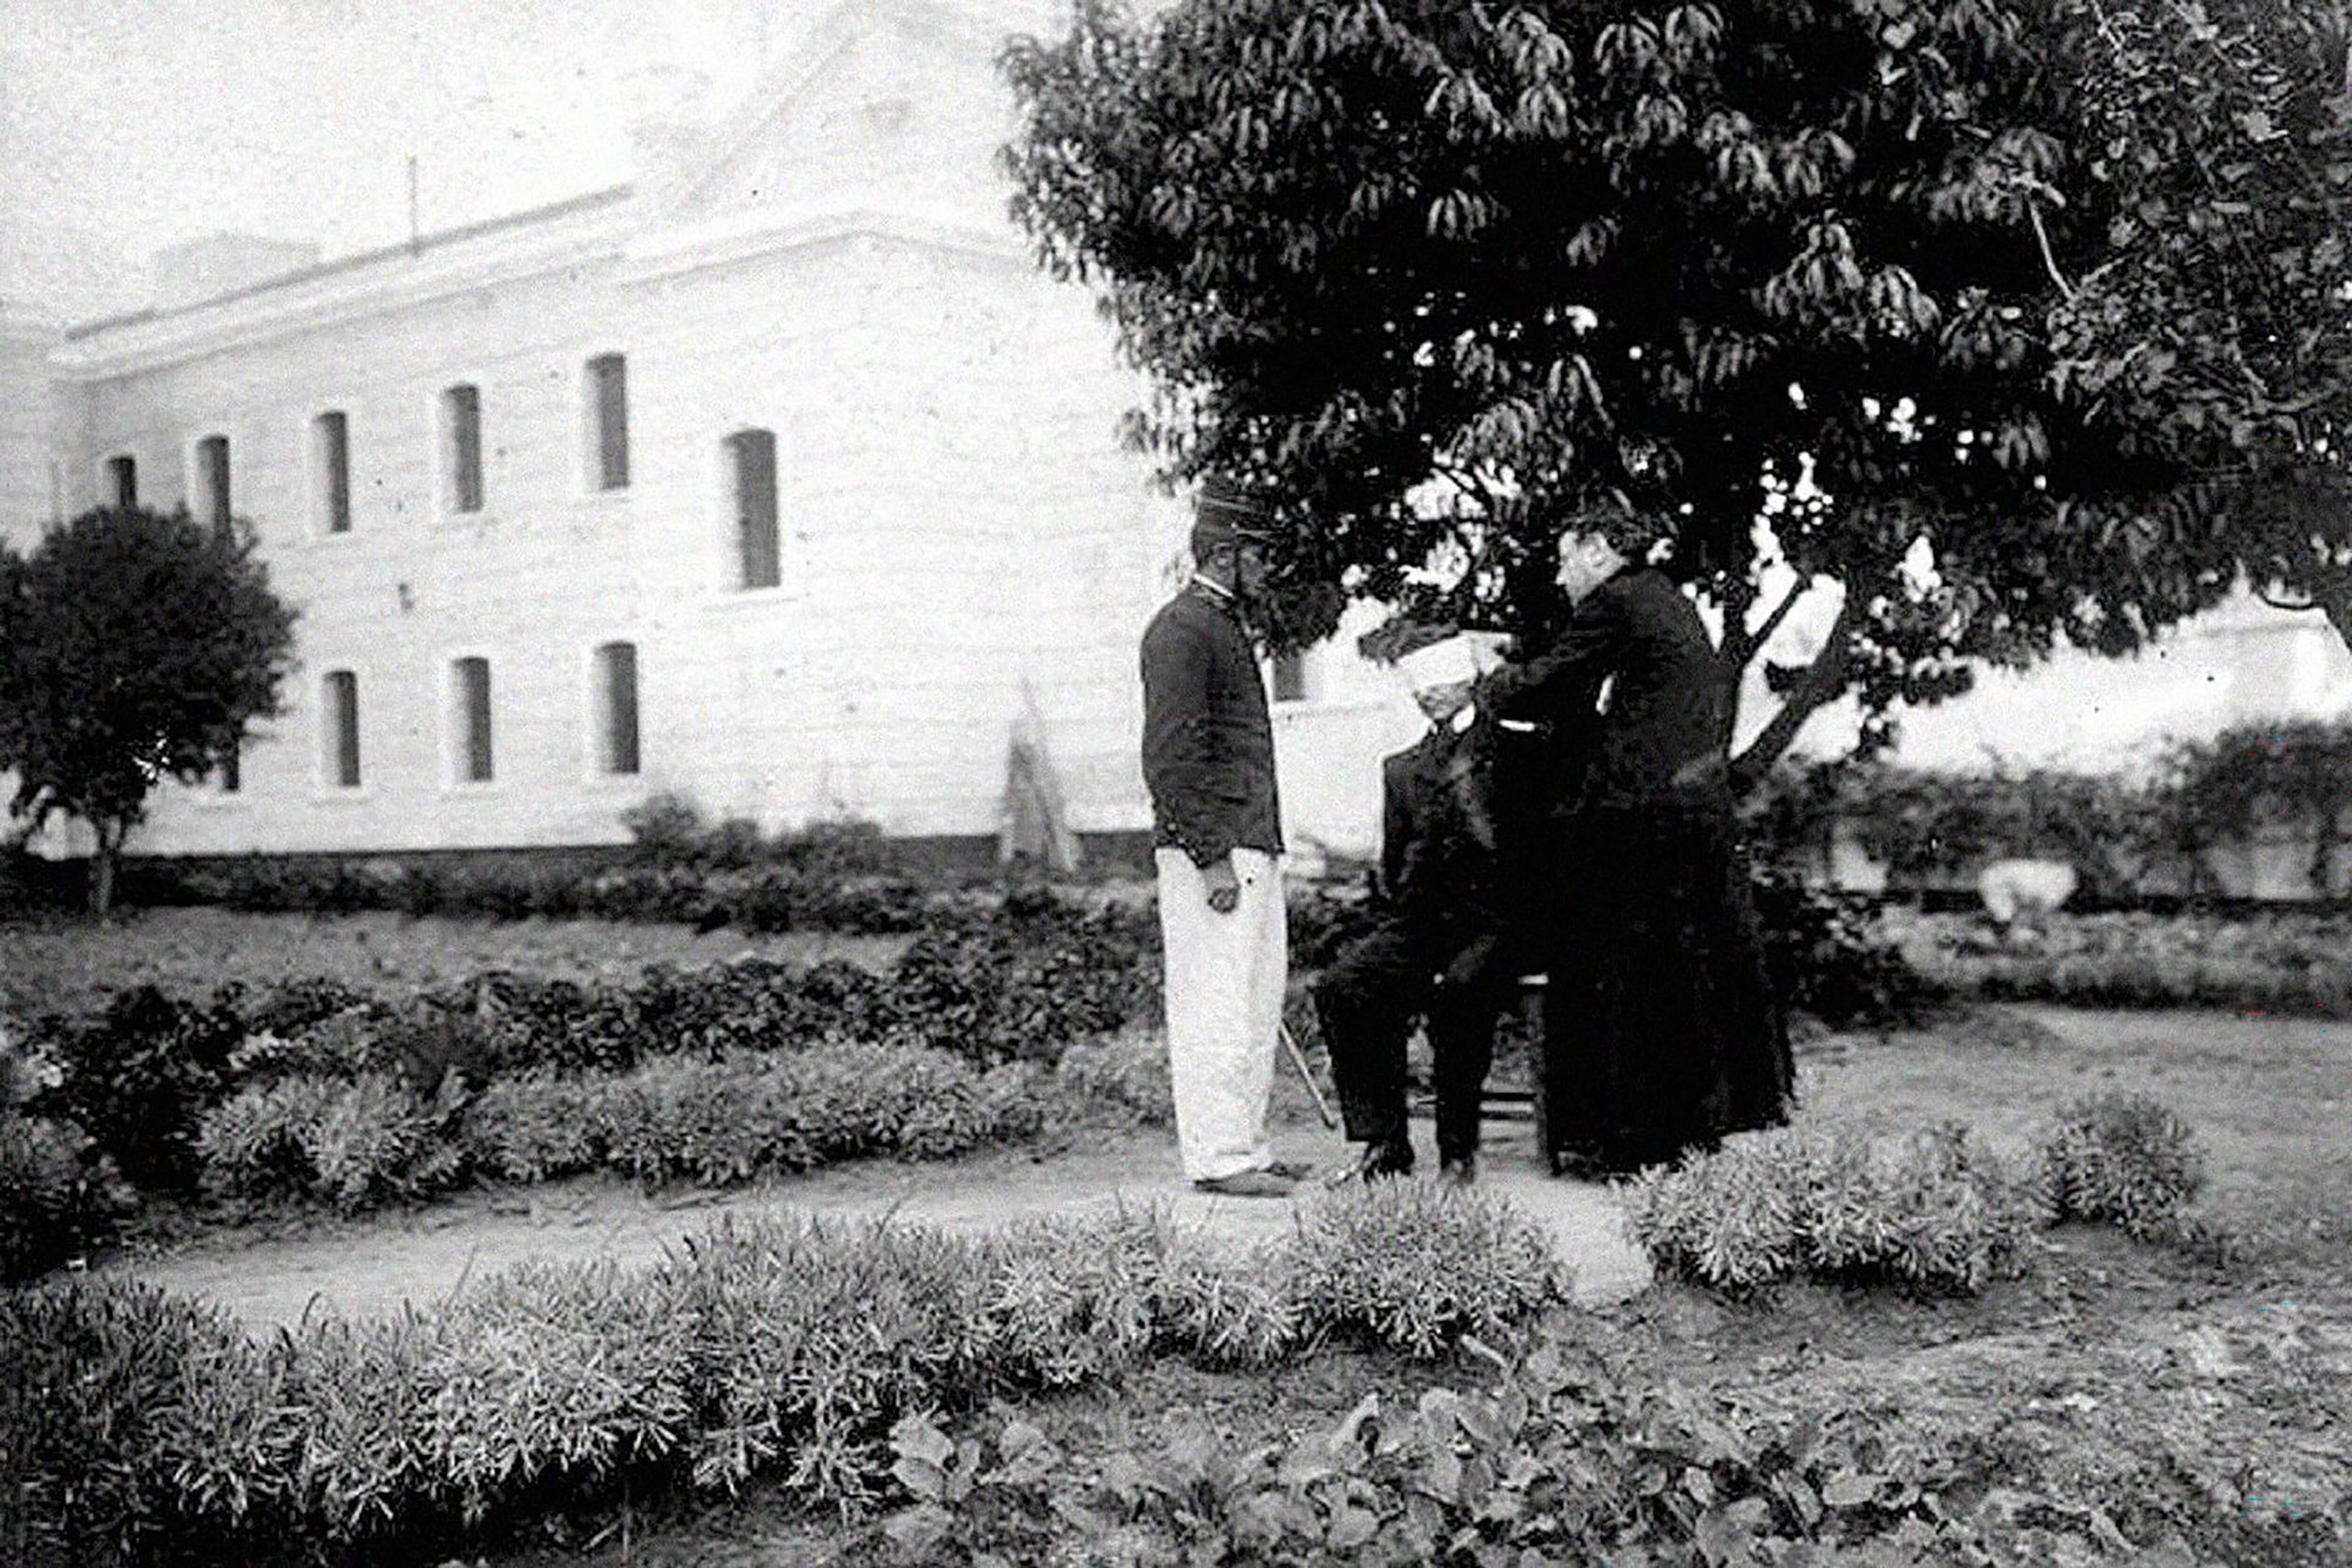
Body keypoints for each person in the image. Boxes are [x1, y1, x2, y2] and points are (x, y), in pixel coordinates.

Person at [1486, 519, 1795, 1177]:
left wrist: (1492, 679)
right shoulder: (1664, 599)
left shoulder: (1617, 601)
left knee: (1632, 971)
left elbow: (1554, 680)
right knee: (1685, 976)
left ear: (1598, 549)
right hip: (1691, 818)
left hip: (1650, 823)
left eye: (1566, 559)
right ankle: (1687, 1132)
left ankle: (1636, 1140)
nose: (1561, 576)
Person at [1139, 473, 1309, 1197]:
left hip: (1249, 842)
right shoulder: (1180, 630)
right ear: (1229, 554)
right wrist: (1209, 857)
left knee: (1254, 1000)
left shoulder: (1223, 624)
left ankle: (1249, 1146)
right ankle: (1219, 1157)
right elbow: (1171, 759)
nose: (1268, 568)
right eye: (1261, 553)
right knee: (1215, 1003)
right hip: (1213, 849)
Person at [1316, 631, 1519, 1186]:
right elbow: (1393, 863)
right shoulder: (1401, 769)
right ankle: (1383, 1141)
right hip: (1422, 922)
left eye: (1440, 680)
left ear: (1468, 678)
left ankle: (1457, 1151)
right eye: (1419, 684)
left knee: (1458, 992)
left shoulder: (1510, 751)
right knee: (1346, 985)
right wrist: (1396, 936)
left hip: (1497, 922)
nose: (1427, 694)